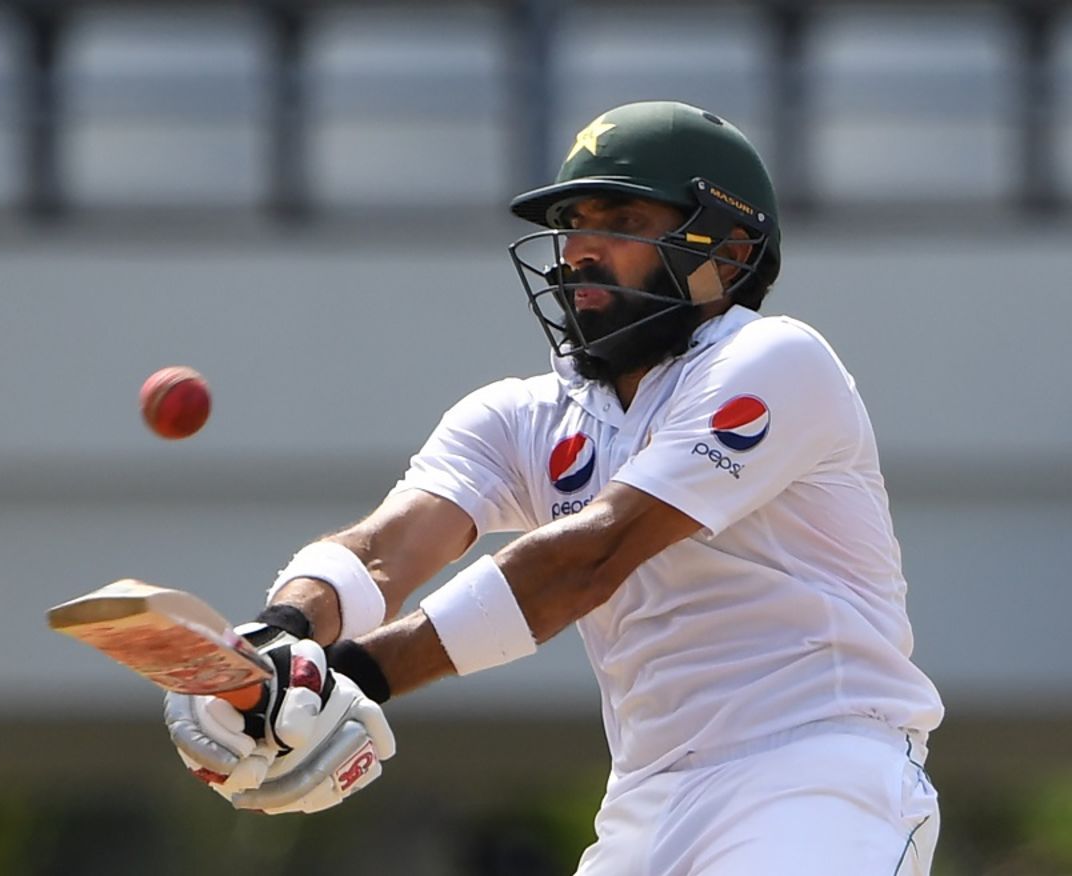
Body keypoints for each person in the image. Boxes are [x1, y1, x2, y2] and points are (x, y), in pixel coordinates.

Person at [163, 101, 943, 875]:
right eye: (574, 223)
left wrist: (357, 676)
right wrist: (279, 638)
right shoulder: (524, 414)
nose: (580, 252)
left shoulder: (776, 360)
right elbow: (382, 551)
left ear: (730, 253)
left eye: (623, 222)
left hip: (819, 772)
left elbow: (589, 559)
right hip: (648, 799)